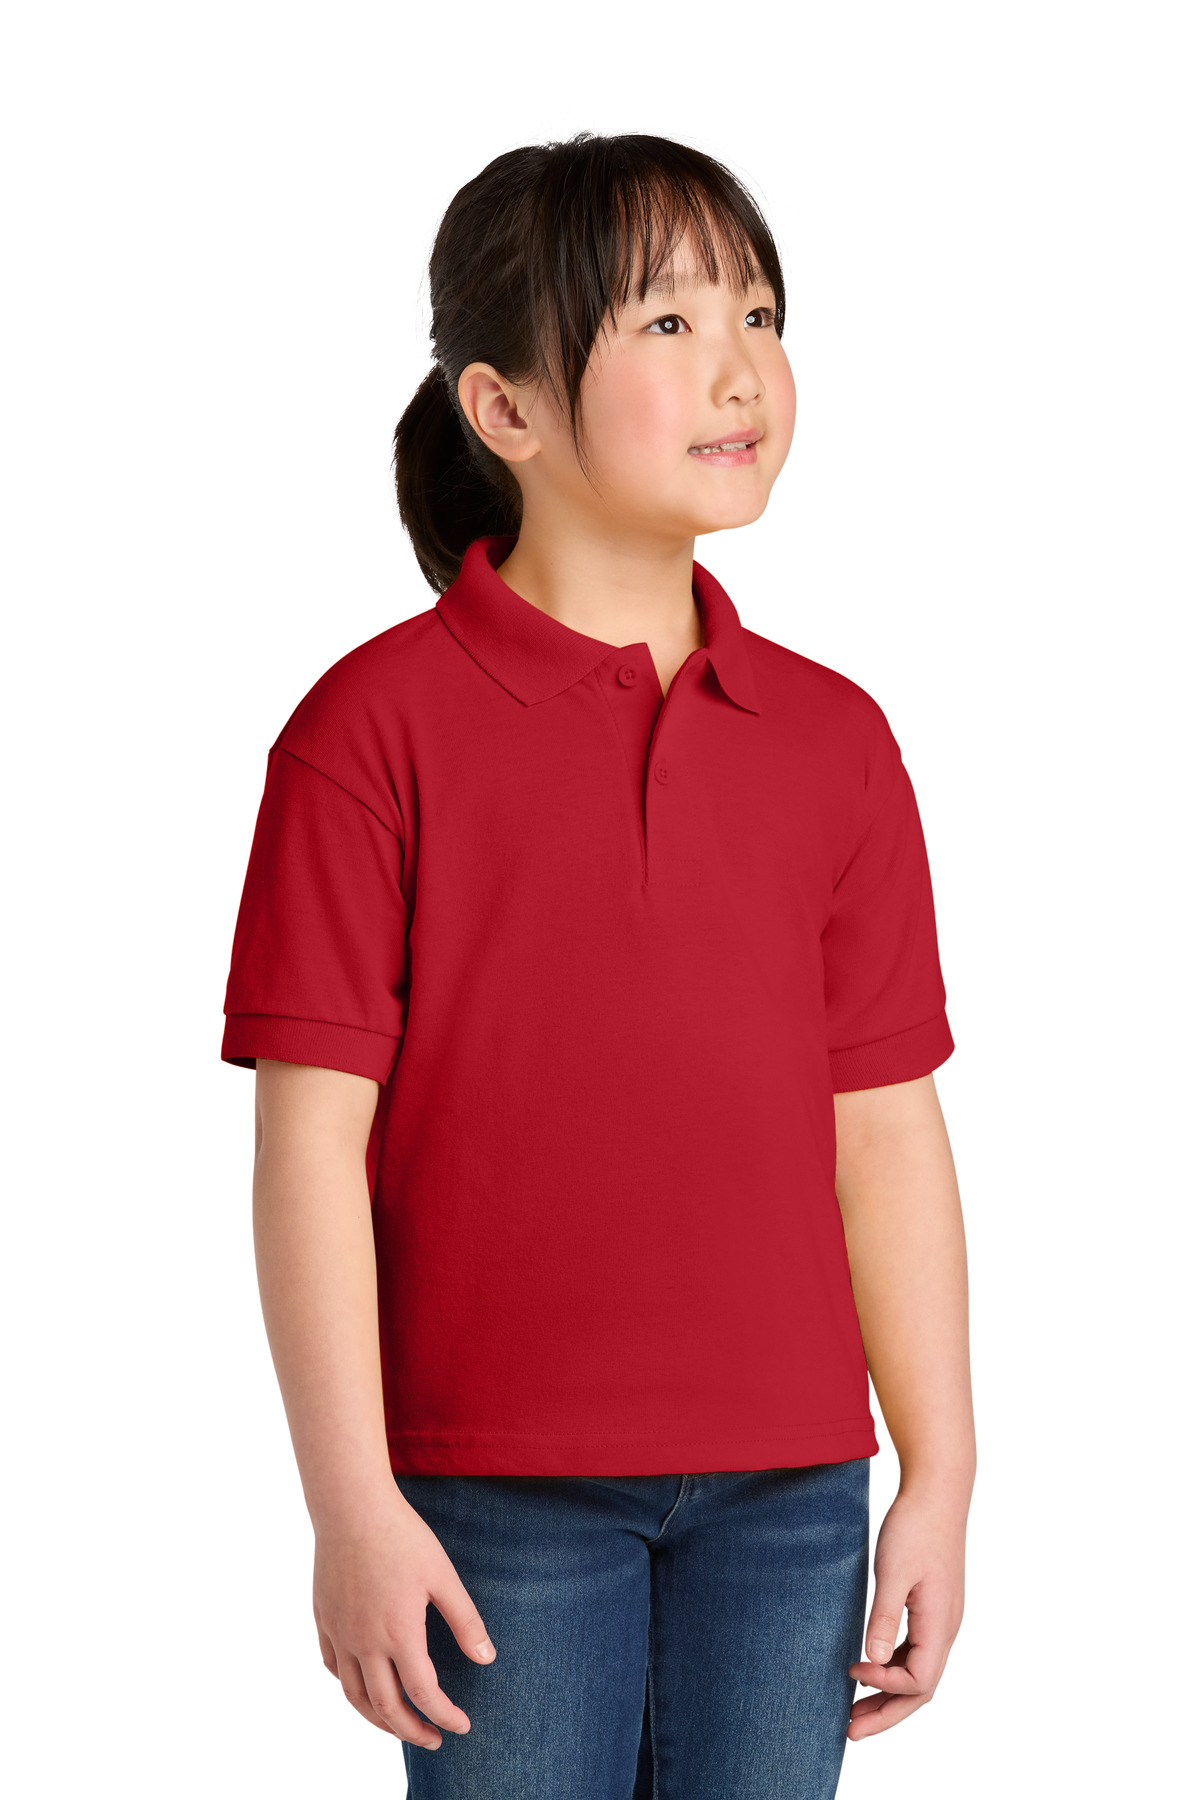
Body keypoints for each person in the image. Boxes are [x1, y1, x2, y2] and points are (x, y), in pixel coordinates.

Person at [221, 132, 975, 1800]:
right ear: (504, 408)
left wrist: (940, 1467)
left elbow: (885, 1129)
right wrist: (350, 1504)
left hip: (792, 1496)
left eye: (760, 315)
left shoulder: (837, 743)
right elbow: (309, 1148)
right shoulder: (370, 732)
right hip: (490, 1495)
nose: (740, 368)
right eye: (666, 322)